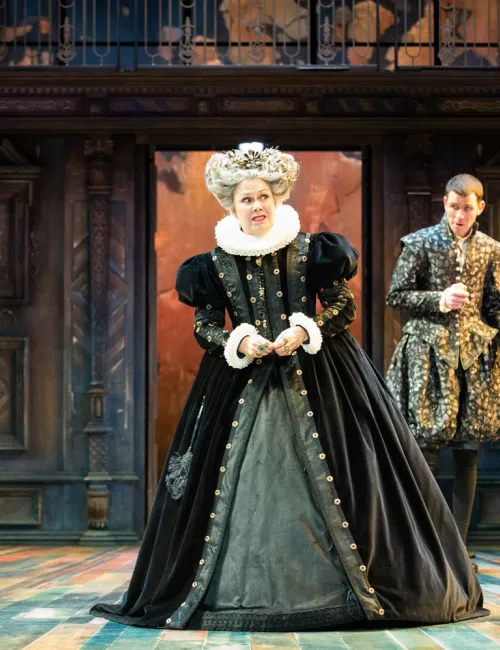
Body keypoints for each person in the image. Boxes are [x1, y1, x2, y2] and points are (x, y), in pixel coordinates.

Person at [90, 149, 486, 631]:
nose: (257, 205)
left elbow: (342, 307)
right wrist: (239, 340)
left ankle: (338, 590)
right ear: (230, 206)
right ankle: (237, 591)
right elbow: (205, 326)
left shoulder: (313, 249)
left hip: (322, 374)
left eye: (263, 196)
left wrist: (304, 329)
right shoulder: (213, 264)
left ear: (276, 197)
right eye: (246, 199)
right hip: (240, 382)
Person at [386, 174, 500, 569]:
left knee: (468, 450)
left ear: (480, 207)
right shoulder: (421, 242)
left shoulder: (491, 249)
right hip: (429, 354)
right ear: (444, 204)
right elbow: (396, 295)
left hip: (473, 358)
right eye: (453, 206)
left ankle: (458, 547)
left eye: (467, 207)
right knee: (427, 449)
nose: (459, 215)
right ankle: (429, 544)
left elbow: (493, 306)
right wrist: (439, 298)